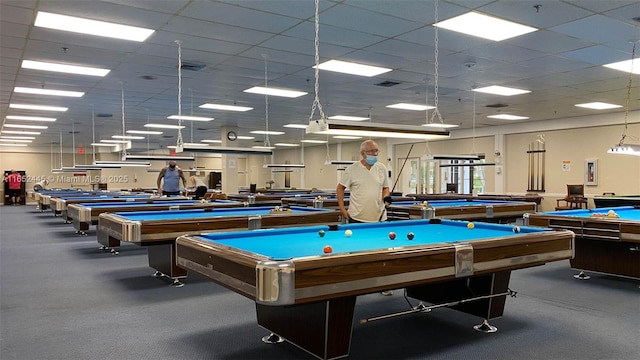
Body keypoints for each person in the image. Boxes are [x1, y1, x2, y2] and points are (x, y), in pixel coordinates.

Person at [337, 140, 393, 295]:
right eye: (372, 151)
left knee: (382, 253)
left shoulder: (381, 168)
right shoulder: (352, 170)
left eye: (377, 151)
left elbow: (385, 187)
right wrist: (342, 208)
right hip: (357, 217)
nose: (375, 154)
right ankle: (357, 285)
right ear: (363, 153)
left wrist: (386, 198)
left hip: (380, 217)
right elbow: (340, 188)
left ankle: (383, 284)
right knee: (358, 253)